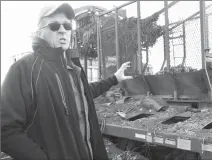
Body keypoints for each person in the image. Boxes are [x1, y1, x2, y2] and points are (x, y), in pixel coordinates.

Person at [1, 3, 132, 160]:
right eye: (54, 25)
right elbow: (6, 130)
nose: (62, 30)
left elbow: (84, 94)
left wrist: (114, 79)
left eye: (67, 25)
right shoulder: (23, 69)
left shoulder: (73, 67)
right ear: (39, 32)